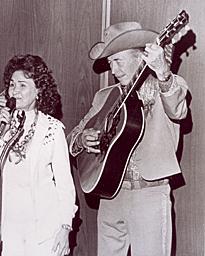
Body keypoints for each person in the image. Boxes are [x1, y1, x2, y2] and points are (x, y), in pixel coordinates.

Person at [67, 22, 188, 255]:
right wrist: (82, 139)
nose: (113, 70)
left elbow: (178, 110)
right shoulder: (104, 96)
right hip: (110, 192)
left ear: (140, 57)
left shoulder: (168, 84)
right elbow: (71, 137)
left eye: (118, 61)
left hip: (149, 193)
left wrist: (163, 72)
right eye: (110, 63)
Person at [0, 54, 77, 256]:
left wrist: (65, 227)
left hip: (44, 228)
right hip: (4, 227)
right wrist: (0, 133)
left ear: (38, 90)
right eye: (12, 85)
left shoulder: (52, 129)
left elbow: (65, 184)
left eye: (22, 85)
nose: (15, 91)